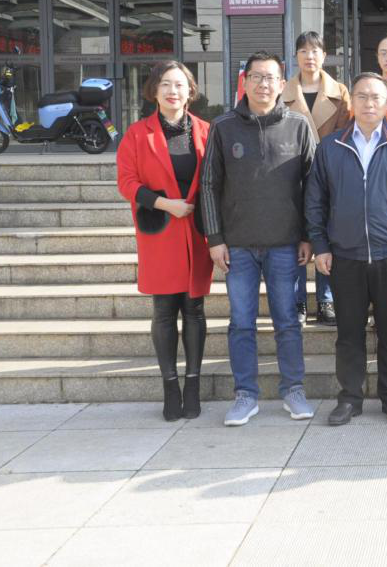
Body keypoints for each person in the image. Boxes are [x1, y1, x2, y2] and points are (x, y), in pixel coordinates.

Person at [305, 72, 387, 426]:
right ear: (352, 102)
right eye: (362, 96)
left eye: (376, 97)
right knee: (348, 334)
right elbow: (315, 201)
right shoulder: (331, 146)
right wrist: (320, 245)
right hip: (346, 255)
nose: (369, 103)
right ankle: (350, 398)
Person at [201, 51, 318, 427]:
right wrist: (215, 238)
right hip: (237, 246)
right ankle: (245, 395)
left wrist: (309, 236)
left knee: (288, 321)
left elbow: (313, 185)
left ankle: (293, 390)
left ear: (282, 84)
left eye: (270, 78)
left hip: (285, 245)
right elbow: (208, 184)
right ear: (245, 81)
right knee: (241, 323)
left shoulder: (299, 125)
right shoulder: (223, 127)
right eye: (256, 77)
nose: (263, 84)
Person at [116, 60, 213, 421]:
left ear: (190, 91)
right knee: (164, 310)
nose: (173, 91)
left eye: (180, 85)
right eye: (166, 85)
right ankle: (170, 387)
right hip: (159, 230)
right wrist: (166, 204)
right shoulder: (137, 134)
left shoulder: (206, 131)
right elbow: (126, 182)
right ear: (154, 91)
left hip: (196, 232)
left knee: (195, 308)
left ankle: (192, 385)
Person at [282, 31, 351, 326]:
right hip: (291, 175)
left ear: (324, 56)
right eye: (303, 51)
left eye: (315, 51)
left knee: (326, 235)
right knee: (294, 237)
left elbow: (346, 133)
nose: (309, 56)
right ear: (296, 56)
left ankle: (326, 300)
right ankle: (298, 300)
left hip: (329, 173)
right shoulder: (282, 93)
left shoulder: (341, 92)